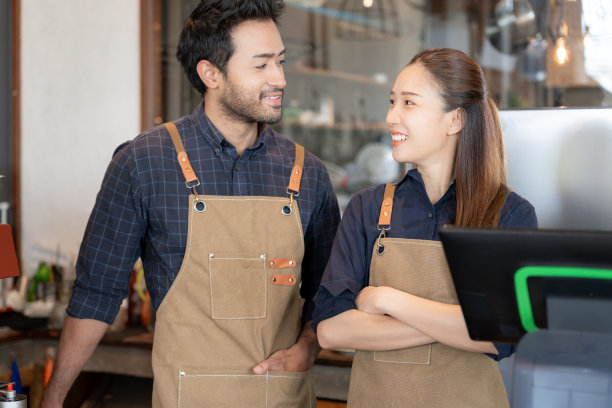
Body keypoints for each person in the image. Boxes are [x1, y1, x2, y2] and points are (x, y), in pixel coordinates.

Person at [41, 1, 340, 407]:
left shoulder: (308, 174)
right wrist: (55, 396)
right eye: (261, 65)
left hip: (282, 397)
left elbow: (329, 293)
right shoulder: (143, 163)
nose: (280, 78)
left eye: (281, 62)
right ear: (210, 73)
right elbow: (97, 294)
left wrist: (308, 346)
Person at [313, 48, 538, 408]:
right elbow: (330, 329)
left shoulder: (507, 214)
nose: (391, 116)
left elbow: (502, 338)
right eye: (391, 102)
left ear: (455, 120)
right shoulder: (368, 209)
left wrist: (389, 299)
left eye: (409, 103)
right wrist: (459, 325)